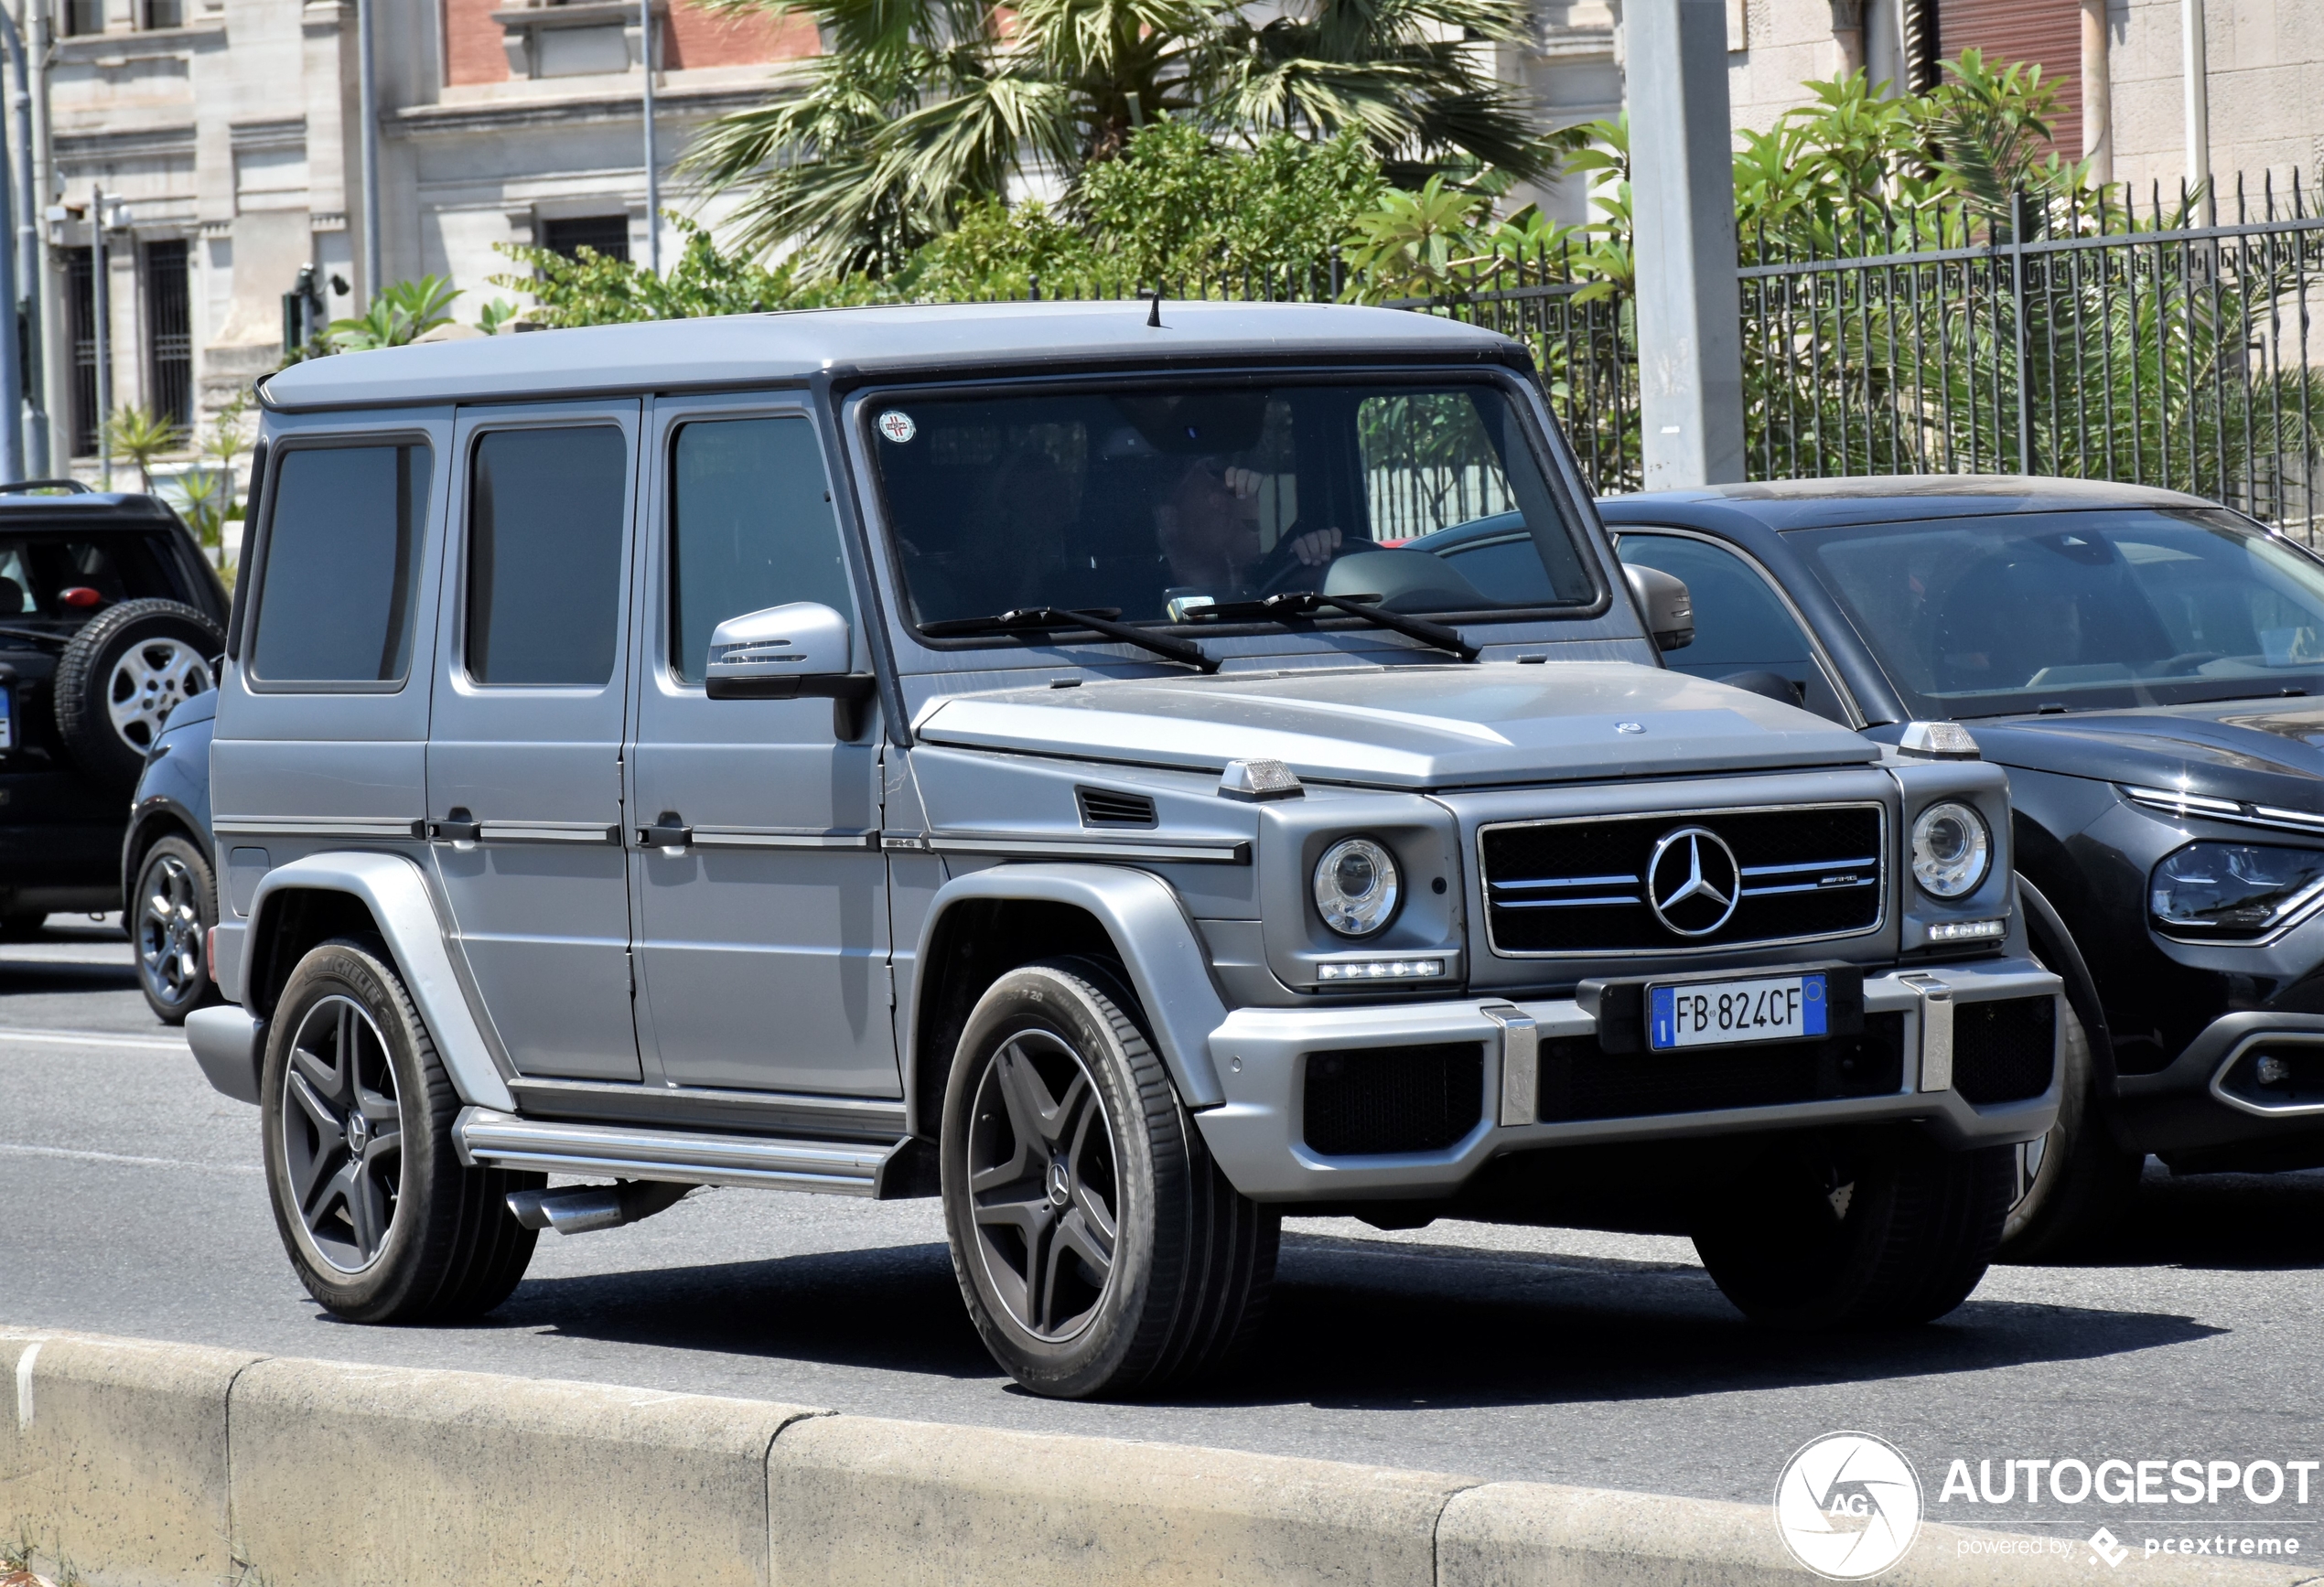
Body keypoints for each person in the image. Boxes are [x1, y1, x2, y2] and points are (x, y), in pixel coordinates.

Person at [1155, 455, 1342, 597]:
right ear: (1169, 519)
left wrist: (1317, 562)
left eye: (1233, 494)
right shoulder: (1137, 611)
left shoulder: (1278, 582)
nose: (1228, 503)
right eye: (1211, 494)